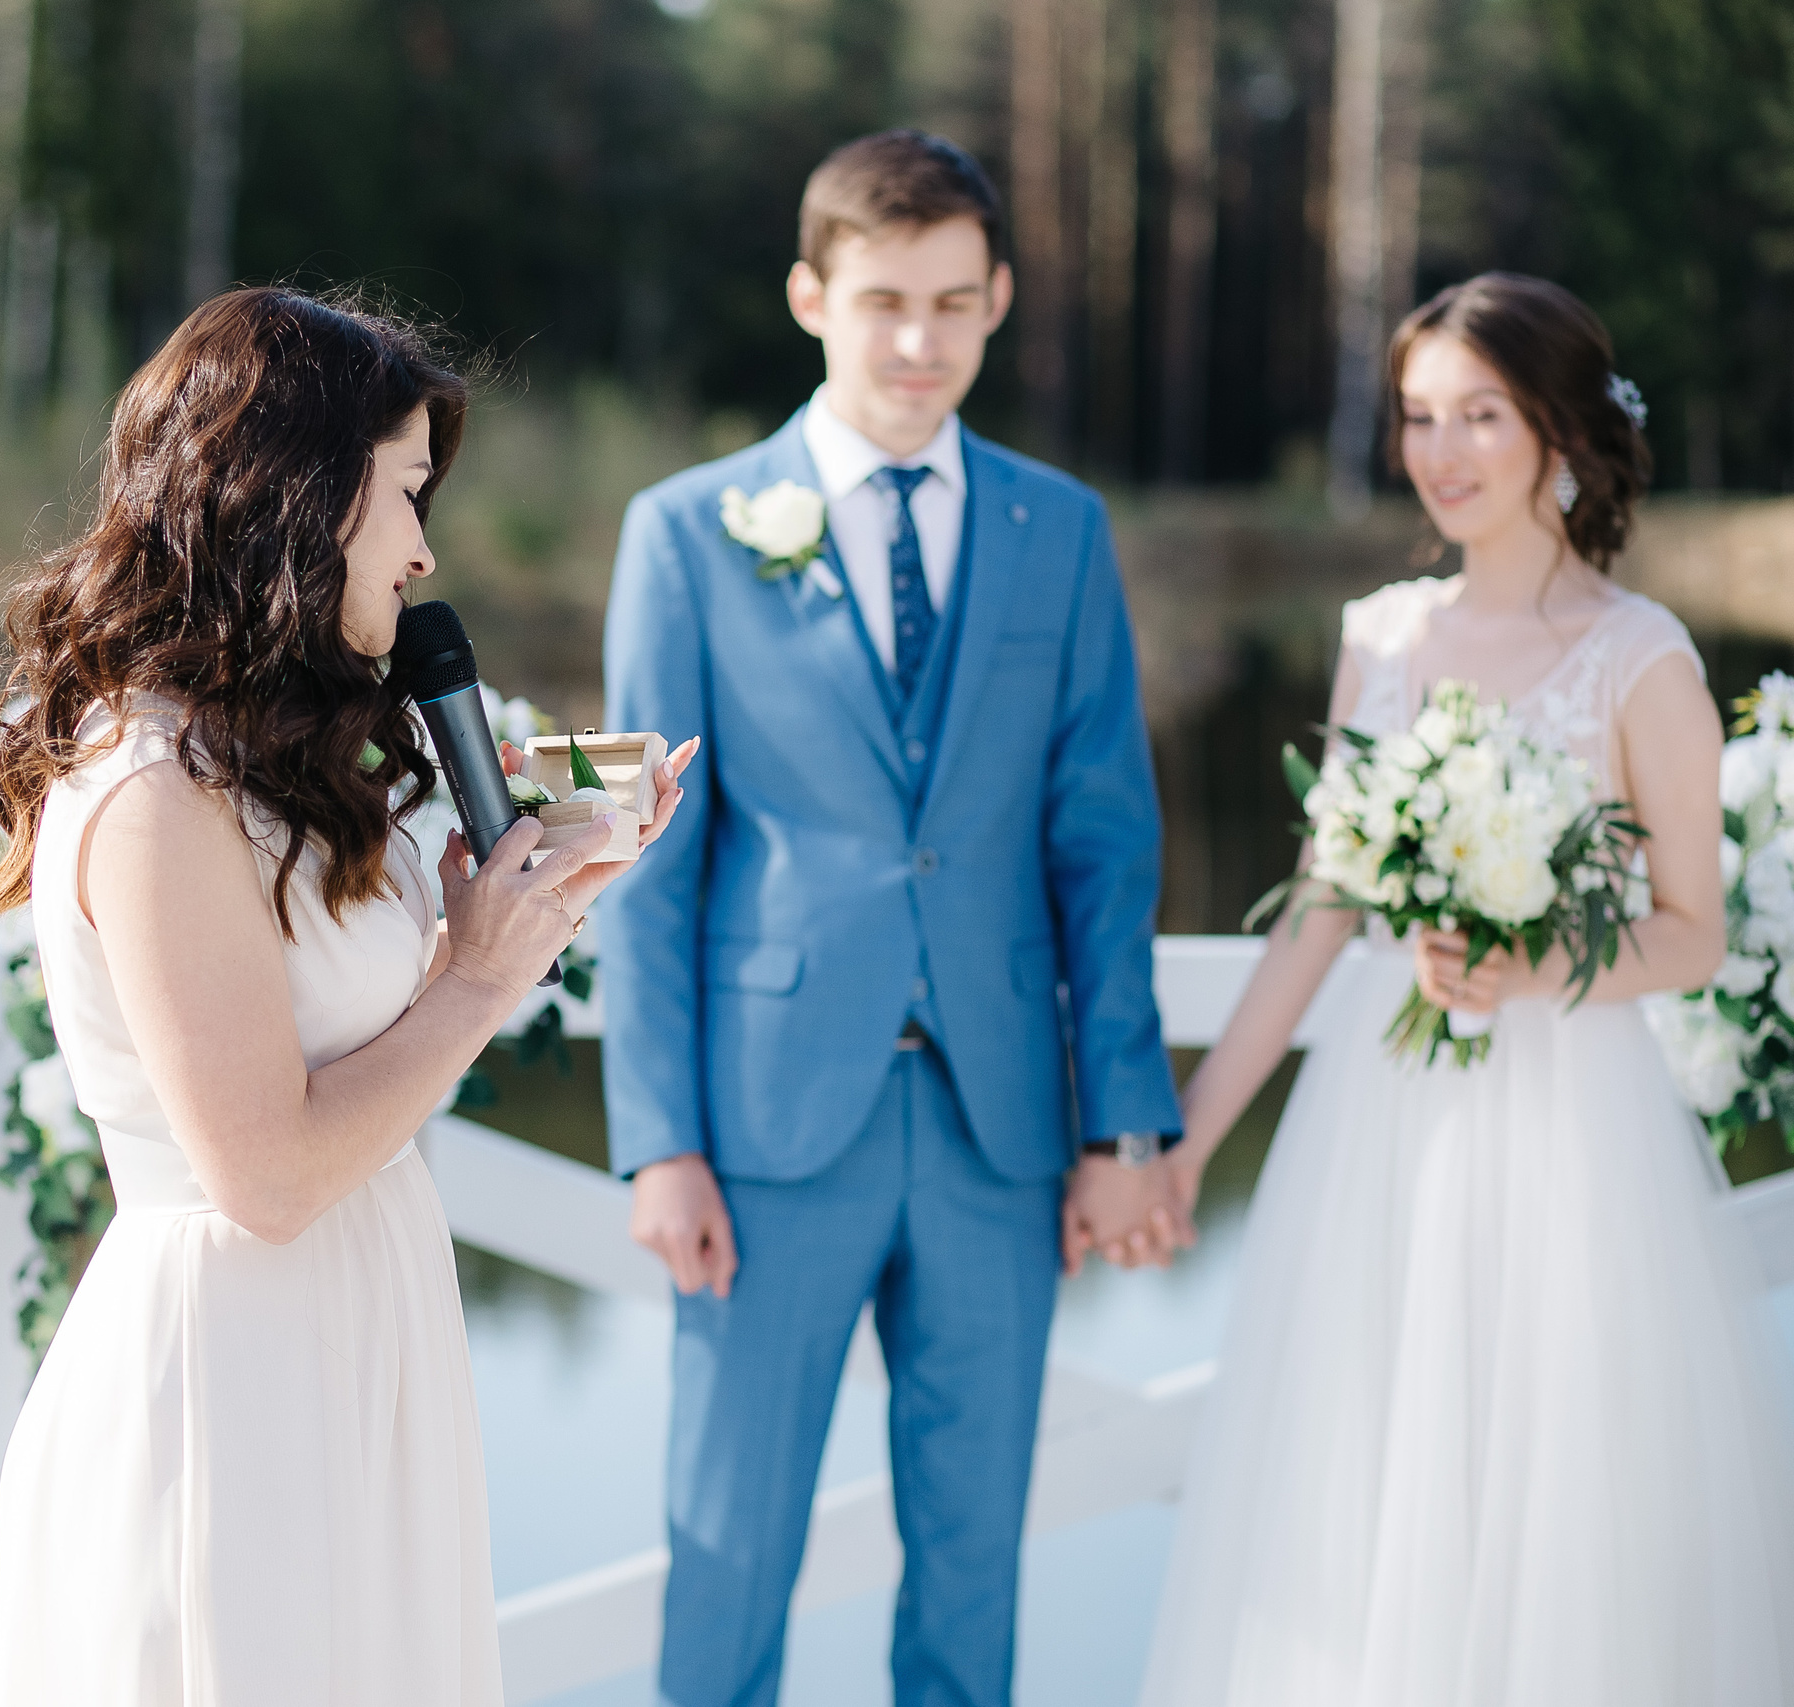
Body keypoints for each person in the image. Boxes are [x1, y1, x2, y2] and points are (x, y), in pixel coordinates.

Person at [0, 288, 693, 1706]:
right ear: (293, 499)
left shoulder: (267, 760)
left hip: (360, 1328)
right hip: (233, 1375)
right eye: (405, 495)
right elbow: (269, 1174)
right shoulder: (154, 788)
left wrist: (533, 906)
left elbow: (368, 1036)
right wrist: (478, 979)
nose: (424, 551)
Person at [1139, 273, 1794, 1704]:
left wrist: (1535, 964)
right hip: (1379, 1133)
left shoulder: (1643, 659)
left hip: (1572, 1139)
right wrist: (1188, 1140)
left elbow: (1693, 933)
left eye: (1479, 415)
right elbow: (1317, 914)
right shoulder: (1380, 635)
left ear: (1560, 428)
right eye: (1418, 416)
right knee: (1366, 1500)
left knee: (1558, 1506)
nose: (1440, 451)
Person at [600, 129, 1184, 1707]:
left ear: (999, 301)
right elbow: (648, 866)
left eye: (952, 303)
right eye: (883, 303)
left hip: (1004, 1129)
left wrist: (1123, 1123)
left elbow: (1104, 849)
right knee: (728, 1560)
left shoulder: (1061, 530)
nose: (919, 342)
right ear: (812, 297)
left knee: (973, 1571)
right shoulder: (687, 530)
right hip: (763, 1135)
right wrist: (659, 1140)